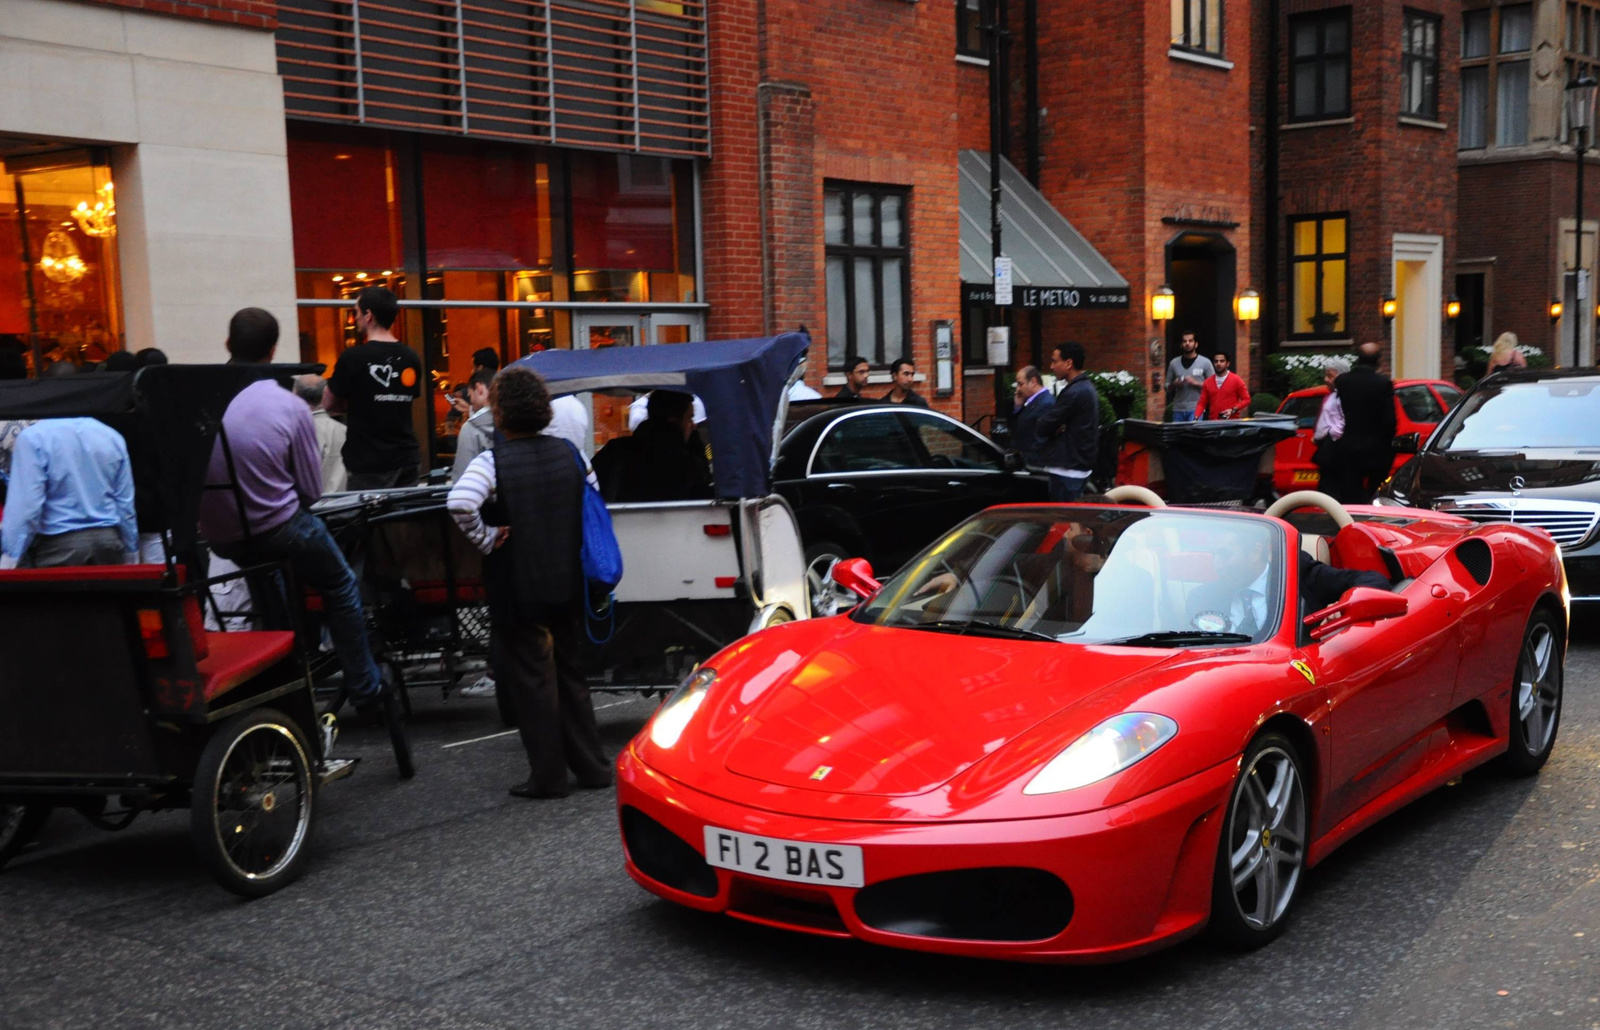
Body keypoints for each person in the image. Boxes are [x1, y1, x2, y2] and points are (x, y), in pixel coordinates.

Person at [198, 307, 385, 716]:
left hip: (222, 536)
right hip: (277, 526)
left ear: (229, 345)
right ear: (273, 351)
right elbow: (310, 490)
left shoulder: (201, 399)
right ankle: (365, 686)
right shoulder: (289, 405)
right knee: (339, 583)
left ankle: (282, 678)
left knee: (272, 590)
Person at [447, 366, 611, 799]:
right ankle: (593, 767)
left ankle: (548, 776)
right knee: (571, 672)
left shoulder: (492, 461)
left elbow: (460, 502)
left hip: (517, 584)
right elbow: (593, 501)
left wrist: (486, 538)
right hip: (568, 579)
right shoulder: (572, 455)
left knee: (533, 679)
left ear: (499, 413)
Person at [1191, 526, 1391, 638]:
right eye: (1213, 554)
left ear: (1255, 552)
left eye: (1225, 555)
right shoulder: (1203, 597)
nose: (1217, 564)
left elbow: (1375, 581)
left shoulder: (1298, 573)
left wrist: (1343, 605)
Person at [0, 417, 136, 568]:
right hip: (108, 543)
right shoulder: (111, 436)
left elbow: (27, 507)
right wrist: (131, 552)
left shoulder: (33, 438)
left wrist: (11, 557)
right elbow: (125, 504)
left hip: (58, 546)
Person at [326, 286, 423, 489]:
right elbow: (404, 399)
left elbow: (328, 403)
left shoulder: (353, 357)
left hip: (370, 462)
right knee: (404, 519)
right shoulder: (411, 357)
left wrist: (353, 403)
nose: (356, 318)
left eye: (357, 312)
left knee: (368, 519)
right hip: (407, 458)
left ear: (368, 315)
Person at [597, 390, 712, 502]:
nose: (694, 426)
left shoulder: (616, 450)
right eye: (689, 419)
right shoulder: (687, 462)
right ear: (673, 422)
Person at [1322, 342, 1396, 504]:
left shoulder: (1343, 382)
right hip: (1376, 448)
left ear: (1358, 359)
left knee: (1350, 493)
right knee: (1375, 492)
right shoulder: (1382, 383)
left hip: (1348, 446)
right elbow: (1389, 420)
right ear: (1377, 360)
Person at [1034, 342, 1100, 502]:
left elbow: (1044, 425)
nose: (1052, 366)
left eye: (1055, 361)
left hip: (1067, 469)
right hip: (1076, 466)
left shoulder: (1074, 392)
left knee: (1064, 522)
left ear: (1068, 363)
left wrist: (1054, 427)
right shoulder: (1086, 388)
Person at [293, 374, 349, 494]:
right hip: (345, 506)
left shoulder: (299, 433)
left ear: (295, 395)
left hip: (314, 507)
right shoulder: (345, 431)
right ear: (325, 394)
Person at [450, 368, 496, 484]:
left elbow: (461, 479)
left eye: (470, 396)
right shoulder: (514, 422)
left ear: (479, 389)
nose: (470, 401)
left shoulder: (470, 429)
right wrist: (469, 410)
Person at [1309, 358, 1349, 485]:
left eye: (1330, 376)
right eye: (1326, 375)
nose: (1326, 380)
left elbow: (1345, 419)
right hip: (1326, 443)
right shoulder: (1332, 394)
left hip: (1334, 446)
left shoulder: (1343, 395)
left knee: (1330, 483)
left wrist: (1331, 434)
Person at [1165, 331, 1214, 423]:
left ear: (1196, 344)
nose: (1187, 344)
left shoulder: (1205, 362)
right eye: (1184, 341)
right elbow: (1166, 386)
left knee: (1193, 435)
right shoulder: (1174, 363)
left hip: (1196, 407)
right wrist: (1174, 385)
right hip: (1178, 408)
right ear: (1181, 345)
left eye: (1190, 341)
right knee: (1178, 436)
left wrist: (1196, 383)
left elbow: (1214, 386)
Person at [1010, 365, 1053, 468]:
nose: (1018, 389)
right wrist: (1018, 406)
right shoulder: (1032, 401)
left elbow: (1042, 439)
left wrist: (1029, 462)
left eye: (1020, 384)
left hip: (1034, 465)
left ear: (1033, 381)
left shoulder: (1046, 403)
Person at [1195, 352, 1251, 420]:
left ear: (1227, 363)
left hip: (1231, 422)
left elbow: (1246, 399)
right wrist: (1196, 417)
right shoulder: (1208, 382)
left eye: (1222, 361)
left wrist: (1233, 410)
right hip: (1214, 422)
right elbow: (1202, 403)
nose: (1218, 364)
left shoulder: (1236, 380)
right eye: (1216, 361)